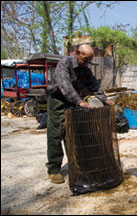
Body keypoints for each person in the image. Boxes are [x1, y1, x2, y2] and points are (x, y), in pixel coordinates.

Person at [46, 43, 114, 184]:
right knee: (57, 132)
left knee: (74, 133)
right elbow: (65, 86)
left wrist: (104, 99)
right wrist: (79, 101)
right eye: (85, 59)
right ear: (77, 53)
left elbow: (94, 85)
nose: (87, 63)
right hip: (58, 100)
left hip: (73, 100)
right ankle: (53, 169)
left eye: (89, 60)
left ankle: (75, 165)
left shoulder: (85, 68)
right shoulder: (64, 64)